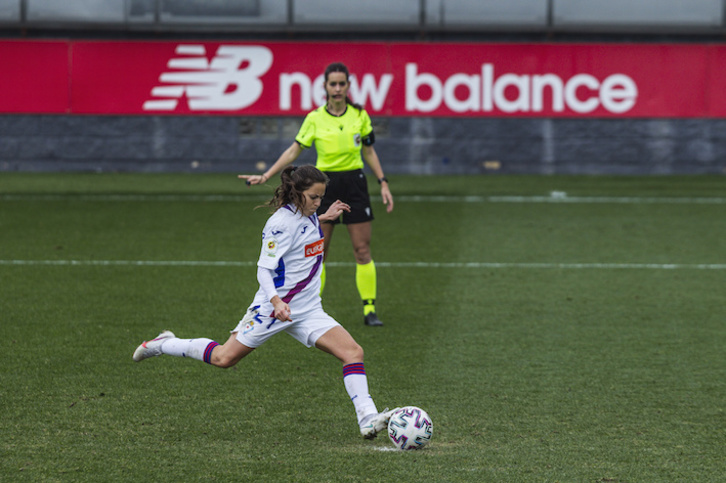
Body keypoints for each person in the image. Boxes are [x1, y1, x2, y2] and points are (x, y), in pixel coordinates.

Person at [133, 165, 397, 439]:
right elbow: (263, 270)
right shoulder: (280, 225)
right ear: (298, 194)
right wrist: (276, 302)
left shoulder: (308, 215)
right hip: (273, 310)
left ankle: (367, 418)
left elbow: (305, 233)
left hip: (307, 310)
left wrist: (324, 216)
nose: (320, 202)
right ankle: (164, 343)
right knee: (225, 358)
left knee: (353, 352)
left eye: (322, 197)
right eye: (315, 197)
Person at [240, 62, 393, 327]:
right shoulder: (314, 118)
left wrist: (383, 181)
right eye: (332, 84)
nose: (337, 88)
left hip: (355, 183)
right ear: (324, 86)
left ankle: (369, 309)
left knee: (362, 249)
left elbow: (369, 151)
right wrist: (265, 175)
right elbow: (293, 151)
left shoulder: (360, 115)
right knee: (320, 251)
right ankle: (311, 309)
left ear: (348, 86)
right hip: (325, 186)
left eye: (341, 83)